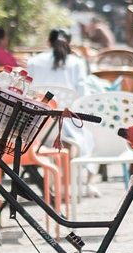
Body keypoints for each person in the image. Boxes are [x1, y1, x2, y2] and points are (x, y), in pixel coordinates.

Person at [26, 29, 97, 162]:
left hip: (37, 125)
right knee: (89, 130)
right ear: (69, 43)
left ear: (48, 42)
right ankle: (70, 177)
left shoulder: (33, 61)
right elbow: (82, 95)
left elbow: (29, 92)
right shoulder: (77, 63)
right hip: (67, 126)